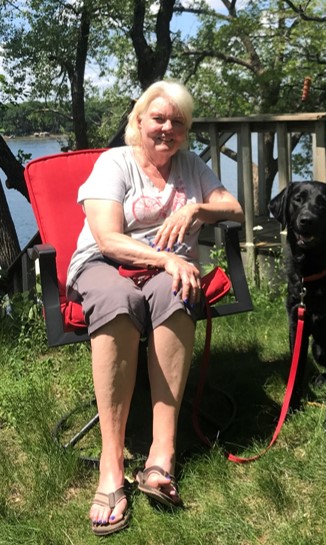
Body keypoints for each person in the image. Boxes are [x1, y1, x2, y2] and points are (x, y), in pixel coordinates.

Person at [66, 80, 244, 536]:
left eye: (178, 122)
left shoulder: (191, 165)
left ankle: (161, 455)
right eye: (159, 119)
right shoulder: (115, 163)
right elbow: (107, 238)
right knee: (118, 301)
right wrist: (166, 255)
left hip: (171, 272)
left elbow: (236, 208)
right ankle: (112, 463)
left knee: (177, 293)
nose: (167, 129)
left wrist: (197, 211)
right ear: (139, 121)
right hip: (105, 264)